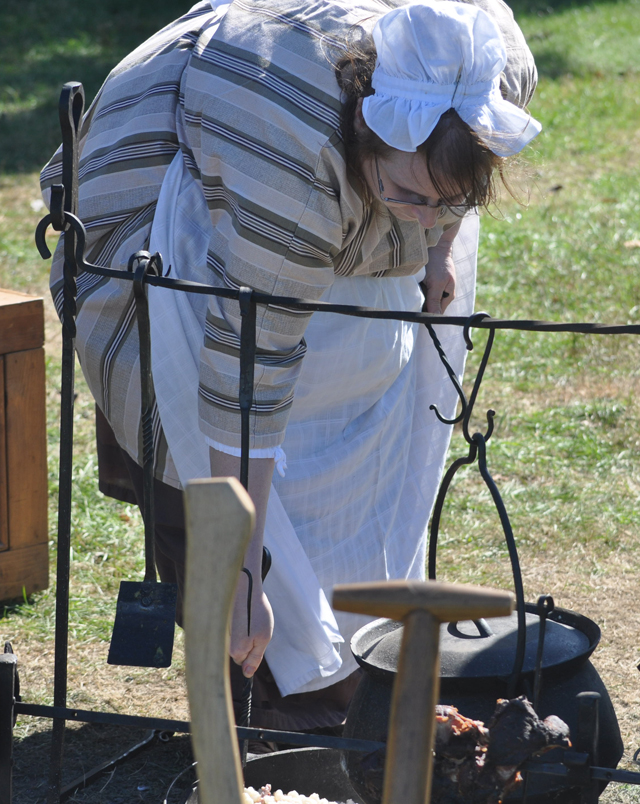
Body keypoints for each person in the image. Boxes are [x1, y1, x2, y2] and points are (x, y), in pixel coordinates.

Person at [41, 0, 541, 732]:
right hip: (180, 182)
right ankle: (282, 694)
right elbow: (247, 375)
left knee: (352, 401)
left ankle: (352, 664)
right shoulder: (290, 157)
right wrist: (245, 576)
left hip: (331, 180)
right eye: (408, 194)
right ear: (368, 131)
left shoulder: (496, 70)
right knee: (210, 426)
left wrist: (434, 249)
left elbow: (447, 179)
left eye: (446, 200)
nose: (426, 211)